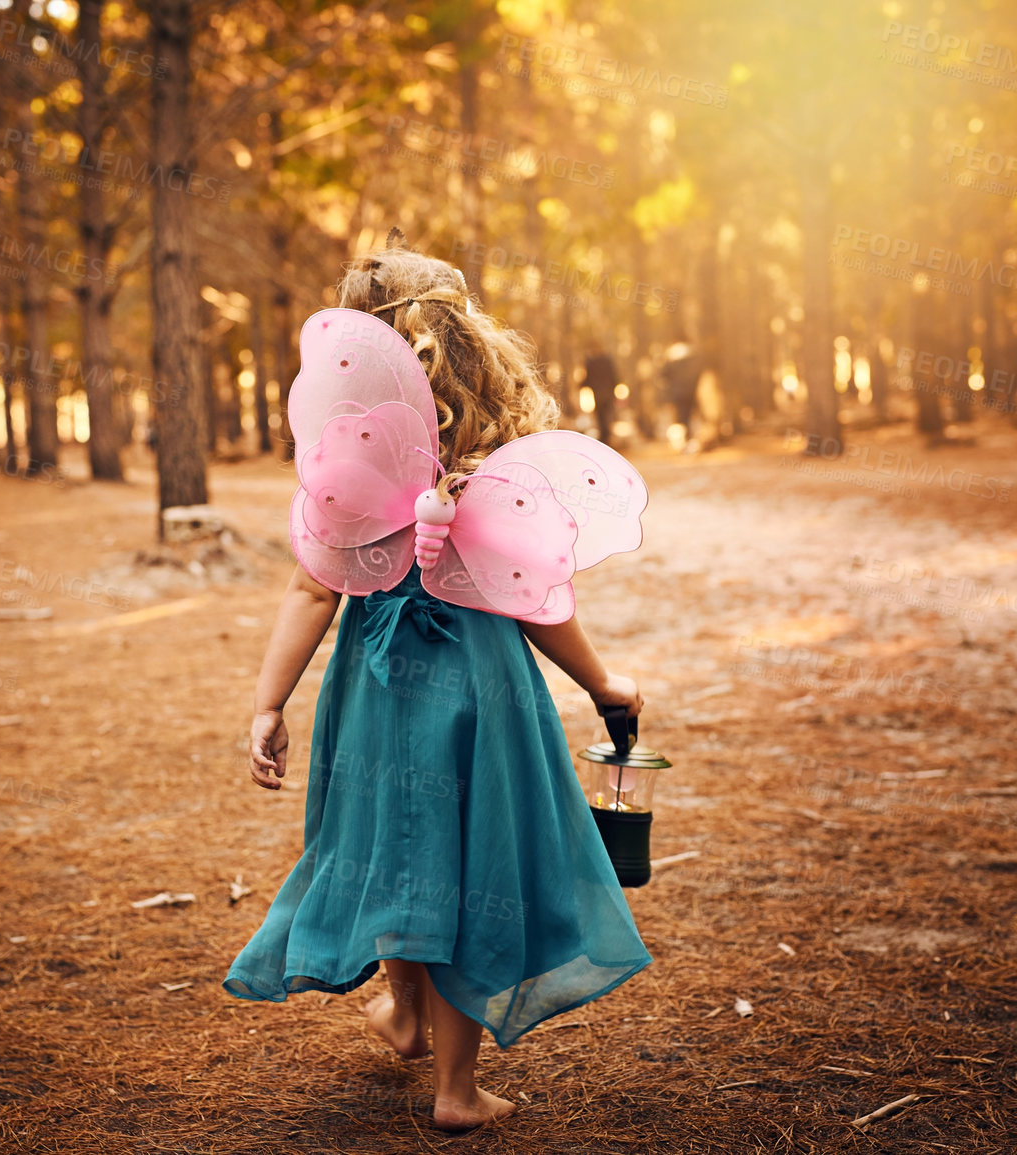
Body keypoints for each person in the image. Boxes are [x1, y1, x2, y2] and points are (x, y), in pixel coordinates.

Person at [223, 243, 652, 1132]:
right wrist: (604, 681)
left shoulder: (342, 452)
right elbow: (536, 599)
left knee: (394, 844)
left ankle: (404, 1012)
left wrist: (270, 701)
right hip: (481, 687)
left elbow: (312, 588)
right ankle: (455, 1087)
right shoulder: (503, 446)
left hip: (375, 682)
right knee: (469, 864)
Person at [581, 349, 619, 443]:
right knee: (606, 415)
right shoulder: (608, 361)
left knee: (601, 416)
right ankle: (606, 436)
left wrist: (581, 386)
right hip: (607, 394)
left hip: (598, 394)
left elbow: (587, 378)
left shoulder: (591, 362)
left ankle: (605, 437)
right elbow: (614, 377)